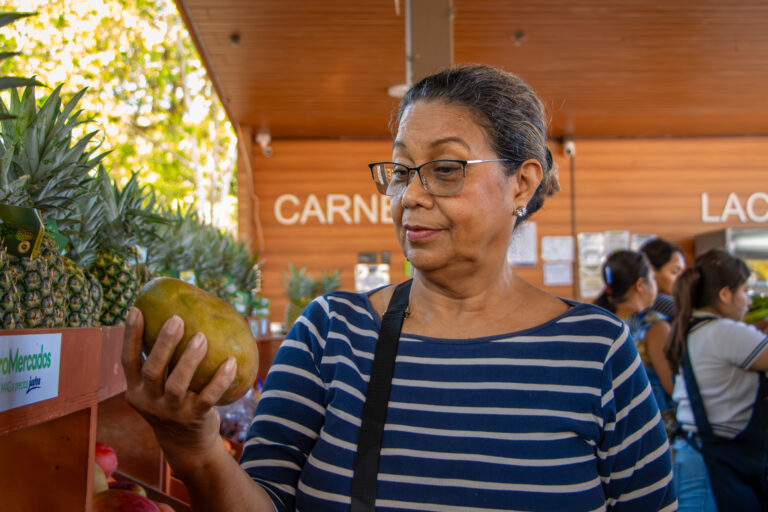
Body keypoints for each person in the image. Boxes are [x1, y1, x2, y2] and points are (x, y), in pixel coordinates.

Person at [122, 65, 676, 511]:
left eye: (445, 168)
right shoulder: (330, 333)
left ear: (522, 184)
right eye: (401, 169)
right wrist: (196, 452)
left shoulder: (597, 350)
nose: (408, 195)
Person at [667, 249, 768, 511]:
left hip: (695, 452)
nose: (747, 301)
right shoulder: (725, 331)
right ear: (725, 294)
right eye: (744, 291)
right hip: (713, 459)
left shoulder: (695, 326)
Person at [593, 250, 676, 431]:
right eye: (652, 279)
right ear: (640, 284)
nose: (655, 285)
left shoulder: (598, 323)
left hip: (611, 426)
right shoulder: (652, 325)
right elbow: (672, 386)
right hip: (653, 425)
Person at [639, 238, 686, 318]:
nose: (683, 278)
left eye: (683, 272)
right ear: (651, 272)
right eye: (675, 272)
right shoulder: (665, 304)